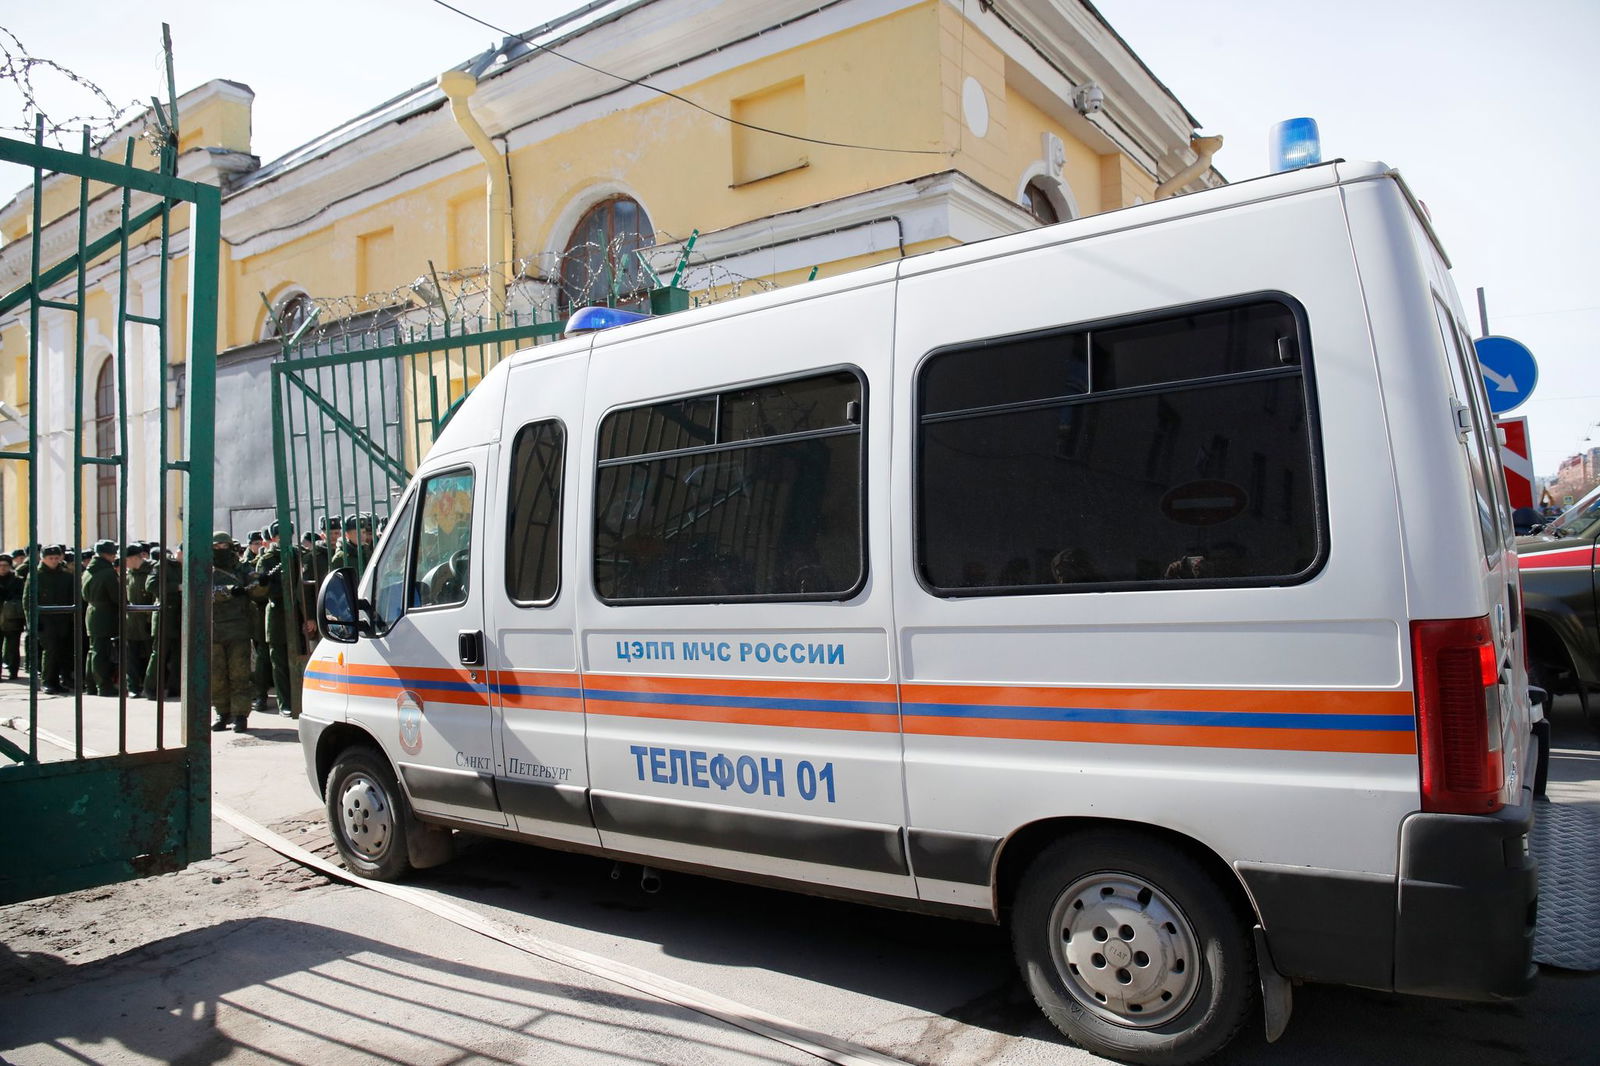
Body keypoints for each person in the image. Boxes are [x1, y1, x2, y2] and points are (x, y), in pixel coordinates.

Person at [210, 532, 254, 732]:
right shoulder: (204, 569)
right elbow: (201, 591)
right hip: (214, 630)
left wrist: (260, 582)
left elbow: (255, 587)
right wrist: (229, 591)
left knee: (239, 675)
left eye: (223, 546)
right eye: (216, 547)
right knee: (217, 676)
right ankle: (222, 712)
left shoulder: (241, 568)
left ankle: (240, 715)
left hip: (238, 629)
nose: (220, 550)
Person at [24, 544, 75, 694]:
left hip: (62, 618)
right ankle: (48, 681)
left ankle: (59, 680)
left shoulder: (66, 576)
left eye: (56, 558)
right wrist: (32, 621)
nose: (53, 561)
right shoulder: (36, 575)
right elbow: (28, 601)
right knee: (51, 650)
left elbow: (72, 597)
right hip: (45, 620)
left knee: (62, 651)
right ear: (43, 559)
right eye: (50, 558)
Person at [81, 540, 122, 697]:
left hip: (92, 612)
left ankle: (91, 684)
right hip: (105, 614)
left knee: (93, 650)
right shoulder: (107, 572)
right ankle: (103, 686)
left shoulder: (88, 571)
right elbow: (116, 596)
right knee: (101, 652)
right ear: (108, 554)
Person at [122, 543, 154, 697]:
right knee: (131, 657)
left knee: (151, 655)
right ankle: (133, 687)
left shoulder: (151, 571)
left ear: (135, 557)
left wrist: (150, 618)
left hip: (147, 619)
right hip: (132, 621)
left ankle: (150, 686)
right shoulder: (128, 574)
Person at [0, 553, 23, 680]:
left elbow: (22, 598)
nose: (3, 568)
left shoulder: (17, 580)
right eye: (0, 565)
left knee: (13, 648)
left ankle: (13, 671)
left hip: (13, 619)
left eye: (5, 565)